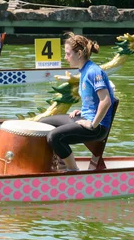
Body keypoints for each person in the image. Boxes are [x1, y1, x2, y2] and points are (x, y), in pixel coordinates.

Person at [38, 33, 115, 171]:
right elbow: (93, 100)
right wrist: (82, 111)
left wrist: (92, 124)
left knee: (54, 137)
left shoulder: (94, 71)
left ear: (79, 53)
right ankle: (57, 165)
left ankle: (73, 171)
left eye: (68, 54)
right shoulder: (84, 70)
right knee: (43, 123)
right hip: (85, 118)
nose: (65, 57)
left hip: (97, 128)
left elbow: (106, 101)